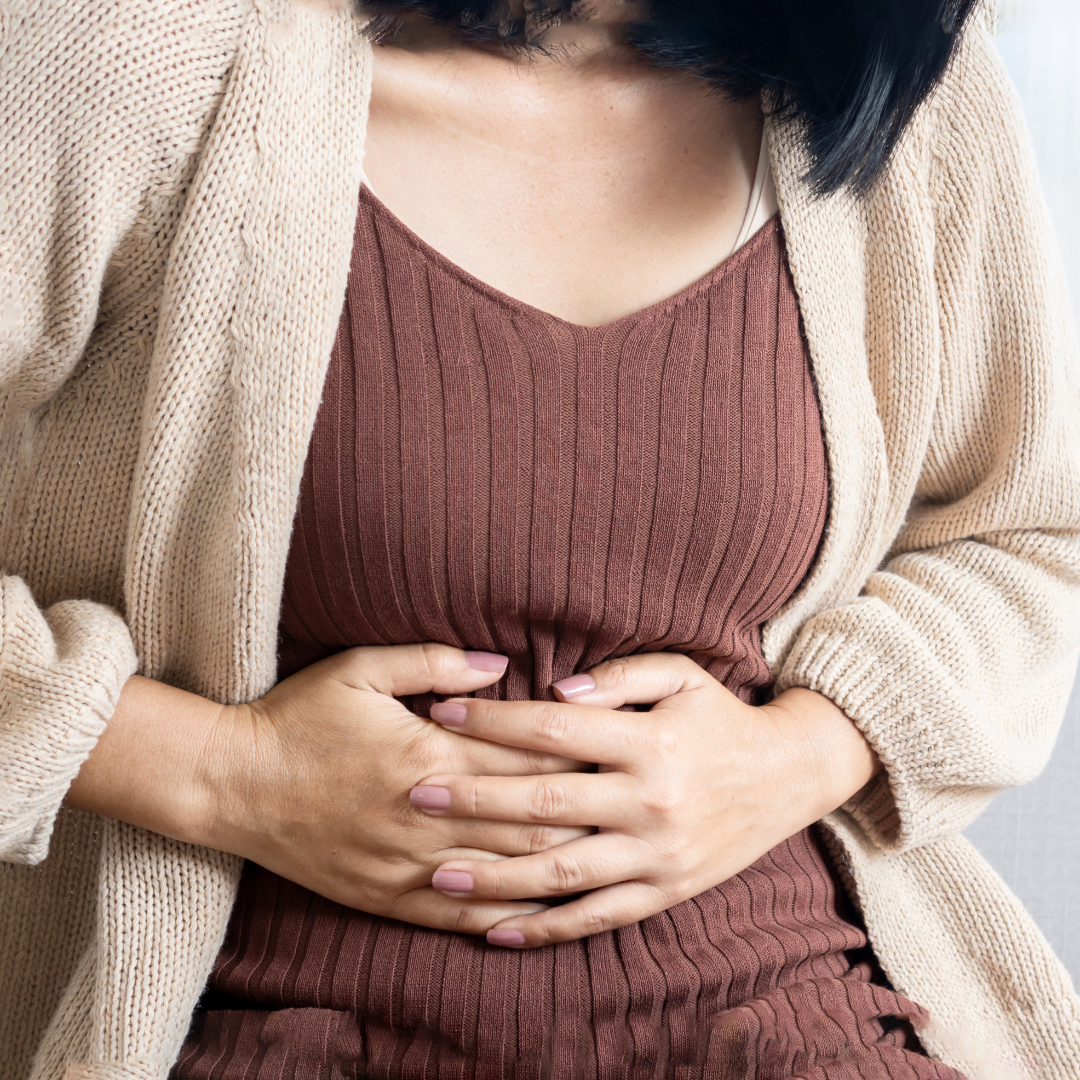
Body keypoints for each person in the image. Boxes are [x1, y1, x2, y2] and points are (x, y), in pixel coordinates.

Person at [2, 0, 1080, 1076]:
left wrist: (797, 754)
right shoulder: (133, 50)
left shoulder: (891, 84)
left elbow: (1029, 532)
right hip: (265, 1015)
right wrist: (223, 776)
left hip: (792, 1013)